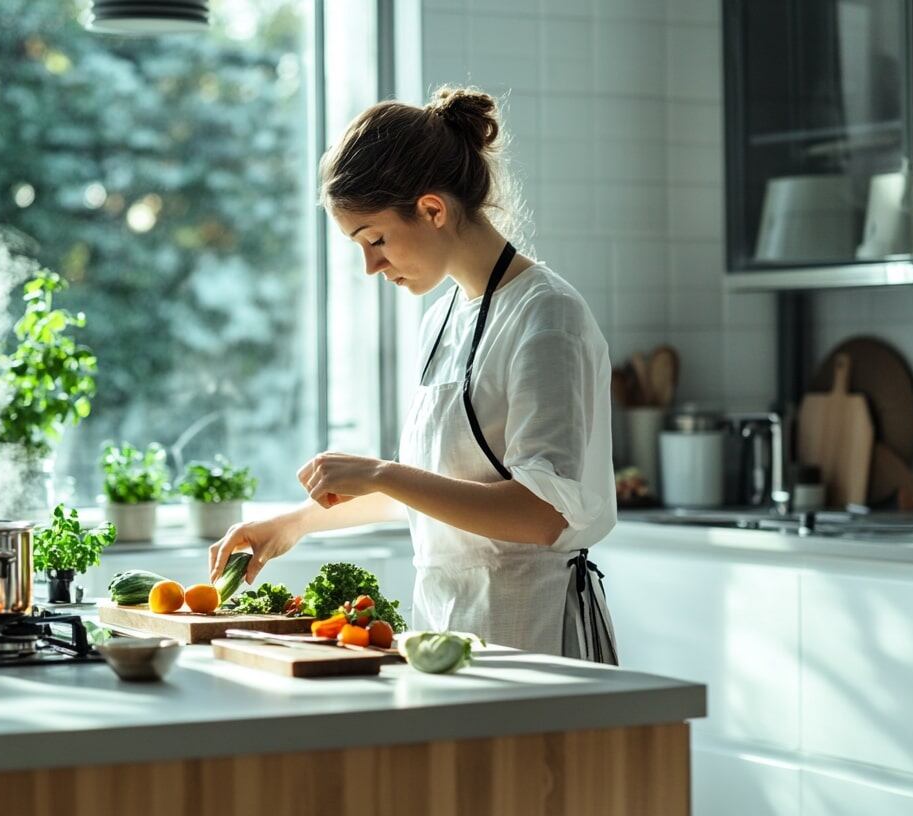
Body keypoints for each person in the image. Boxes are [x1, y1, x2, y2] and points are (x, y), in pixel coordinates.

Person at [208, 86, 618, 662]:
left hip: (536, 630)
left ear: (432, 210)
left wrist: (379, 470)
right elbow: (434, 489)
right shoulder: (442, 318)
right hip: (449, 630)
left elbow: (541, 514)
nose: (371, 265)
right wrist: (293, 524)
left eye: (375, 239)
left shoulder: (548, 317)